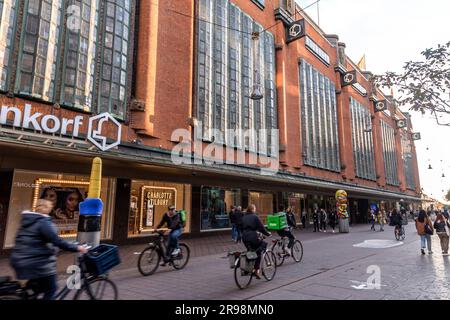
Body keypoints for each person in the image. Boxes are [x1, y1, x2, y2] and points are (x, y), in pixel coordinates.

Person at [10, 199, 88, 300]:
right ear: (47, 208)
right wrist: (77, 247)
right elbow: (57, 241)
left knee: (35, 289)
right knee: (51, 288)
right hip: (36, 263)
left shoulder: (29, 220)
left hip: (21, 260)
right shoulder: (43, 222)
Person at [241, 204, 271, 279]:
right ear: (252, 209)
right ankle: (256, 270)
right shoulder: (255, 217)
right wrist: (268, 233)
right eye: (255, 209)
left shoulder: (244, 217)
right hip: (252, 237)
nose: (255, 210)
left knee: (250, 252)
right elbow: (261, 227)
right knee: (261, 247)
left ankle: (247, 269)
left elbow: (240, 227)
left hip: (244, 237)